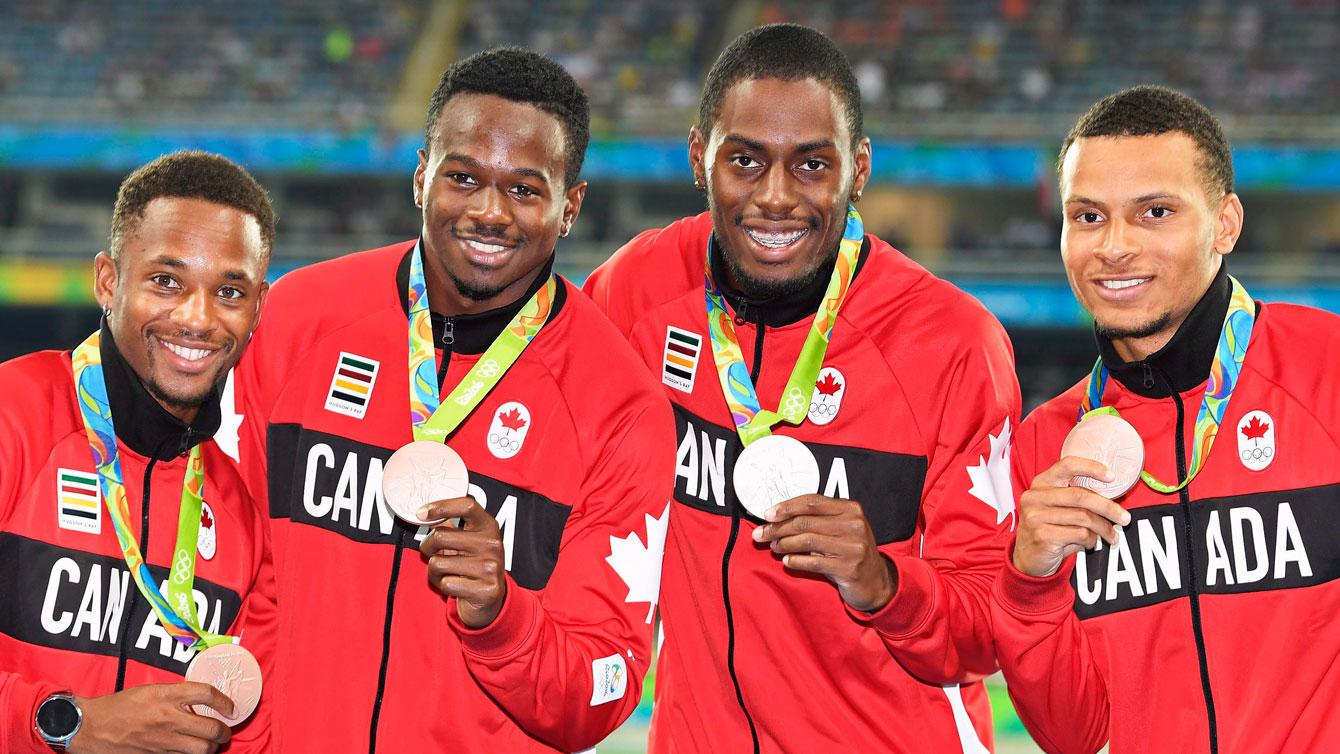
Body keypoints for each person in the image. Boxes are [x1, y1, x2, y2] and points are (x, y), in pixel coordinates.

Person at [584, 24, 1021, 753]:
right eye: (746, 162)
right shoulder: (636, 290)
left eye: (812, 165)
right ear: (700, 158)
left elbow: (993, 630)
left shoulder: (951, 345)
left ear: (860, 167)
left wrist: (884, 582)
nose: (776, 198)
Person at [233, 48, 674, 753]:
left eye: (525, 190)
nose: (488, 212)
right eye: (463, 178)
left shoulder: (621, 409)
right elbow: (233, 567)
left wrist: (503, 614)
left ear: (571, 207)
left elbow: (608, 685)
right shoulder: (299, 320)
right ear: (420, 177)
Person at [993, 85, 1340, 753]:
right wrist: (1028, 581)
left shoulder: (1325, 373)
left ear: (1225, 223)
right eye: (1088, 217)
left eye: (1155, 212)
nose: (1114, 247)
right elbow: (1075, 732)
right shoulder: (1045, 446)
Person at [0, 150, 276, 753]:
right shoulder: (13, 418)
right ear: (108, 281)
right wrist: (63, 724)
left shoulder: (244, 508)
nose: (197, 318)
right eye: (166, 281)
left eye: (230, 290)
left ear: (257, 308)